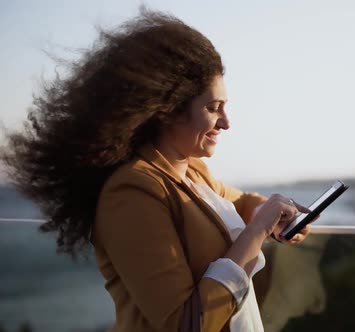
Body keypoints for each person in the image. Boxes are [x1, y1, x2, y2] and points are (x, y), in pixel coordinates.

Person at [0, 9, 314, 332]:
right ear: (168, 110)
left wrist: (273, 216)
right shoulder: (130, 192)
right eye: (213, 107)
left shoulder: (192, 173)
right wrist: (258, 229)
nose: (226, 122)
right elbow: (184, 324)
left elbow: (242, 203)